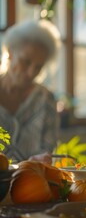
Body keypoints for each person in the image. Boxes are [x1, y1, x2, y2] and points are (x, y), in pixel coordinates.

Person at [0, 19, 61, 164]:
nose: (31, 73)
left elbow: (48, 152)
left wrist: (40, 161)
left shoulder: (46, 99)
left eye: (38, 67)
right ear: (10, 53)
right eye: (26, 62)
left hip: (29, 181)